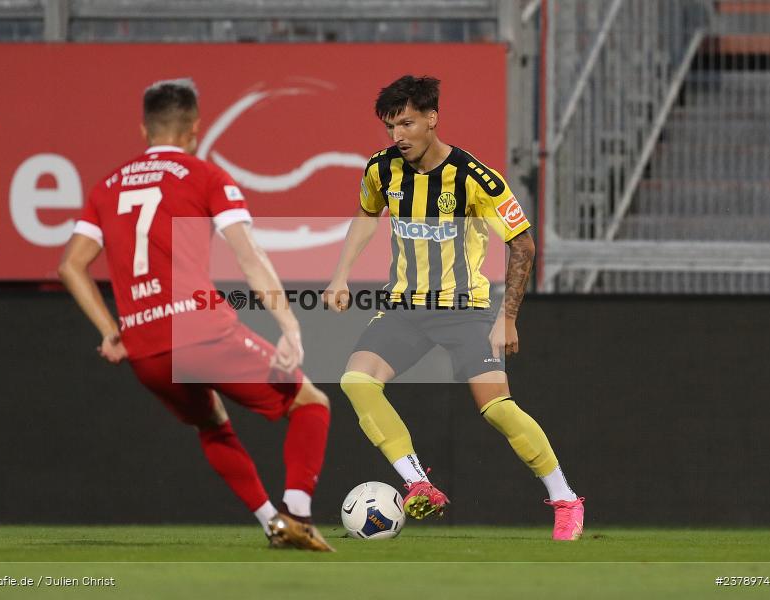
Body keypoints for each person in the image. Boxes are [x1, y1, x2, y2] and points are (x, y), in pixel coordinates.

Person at [59, 78, 333, 551]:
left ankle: (273, 524)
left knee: (211, 424)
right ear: (194, 130)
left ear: (143, 130)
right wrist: (288, 324)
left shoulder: (106, 187)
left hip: (145, 347)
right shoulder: (204, 176)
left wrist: (111, 331)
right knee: (311, 404)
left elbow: (70, 266)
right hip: (200, 330)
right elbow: (249, 255)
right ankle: (297, 515)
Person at [322, 75, 585, 541]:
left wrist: (507, 318)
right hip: (405, 307)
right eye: (390, 127)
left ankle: (566, 499)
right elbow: (367, 214)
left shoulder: (475, 178)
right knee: (356, 382)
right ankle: (418, 483)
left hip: (465, 309)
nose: (398, 135)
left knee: (497, 409)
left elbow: (523, 244)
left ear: (432, 119)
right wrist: (340, 274)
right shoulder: (381, 168)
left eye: (406, 124)